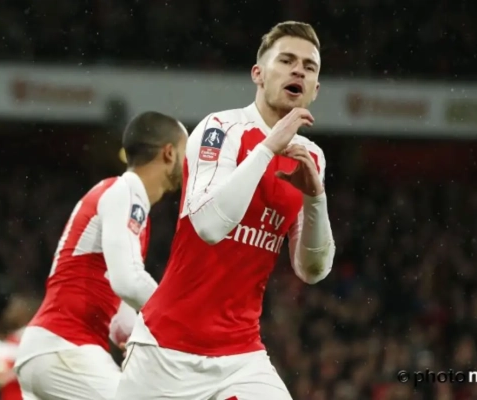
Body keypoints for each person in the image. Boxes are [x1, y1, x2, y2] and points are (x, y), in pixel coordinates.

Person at [115, 21, 336, 400]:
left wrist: (316, 198)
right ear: (258, 74)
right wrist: (267, 149)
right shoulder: (220, 129)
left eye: (309, 66)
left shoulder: (311, 157)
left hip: (240, 354)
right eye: (286, 60)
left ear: (315, 89)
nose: (298, 70)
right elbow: (209, 226)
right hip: (166, 349)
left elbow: (311, 270)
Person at [14, 111, 188, 400]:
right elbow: (129, 282)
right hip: (64, 348)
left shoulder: (122, 200)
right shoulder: (126, 193)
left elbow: (119, 314)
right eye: (186, 151)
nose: (189, 162)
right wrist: (186, 320)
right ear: (169, 153)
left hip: (50, 351)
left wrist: (137, 337)